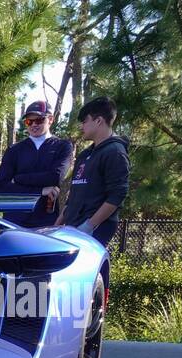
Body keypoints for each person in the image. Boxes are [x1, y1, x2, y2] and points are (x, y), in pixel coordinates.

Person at [55, 96, 129, 247]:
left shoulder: (115, 152)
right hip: (72, 228)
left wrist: (89, 226)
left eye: (84, 121)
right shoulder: (85, 155)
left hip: (94, 232)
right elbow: (73, 195)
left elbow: (117, 195)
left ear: (99, 121)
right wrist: (57, 225)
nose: (82, 127)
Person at [0, 100, 74, 227]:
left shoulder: (62, 146)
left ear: (50, 119)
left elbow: (55, 177)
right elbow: (1, 187)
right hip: (15, 219)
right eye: (29, 121)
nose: (33, 125)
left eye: (39, 120)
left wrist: (18, 178)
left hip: (46, 220)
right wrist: (41, 190)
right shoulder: (14, 150)